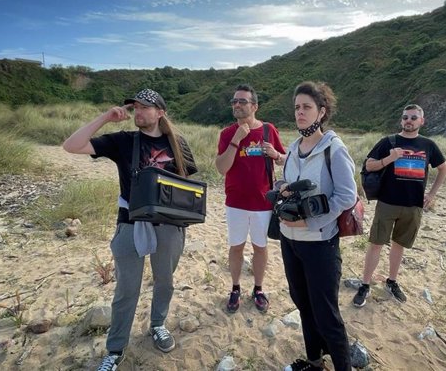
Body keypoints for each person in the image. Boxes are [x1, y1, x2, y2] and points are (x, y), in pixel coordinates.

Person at [62, 89, 198, 371]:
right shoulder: (123, 141)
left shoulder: (178, 144)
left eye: (145, 108)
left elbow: (186, 187)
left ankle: (158, 324)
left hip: (170, 226)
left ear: (160, 112)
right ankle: (115, 349)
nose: (138, 113)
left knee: (165, 281)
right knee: (127, 290)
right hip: (129, 224)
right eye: (135, 108)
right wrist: (105, 117)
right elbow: (71, 146)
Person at [277, 81, 356, 371]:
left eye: (307, 107)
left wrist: (309, 218)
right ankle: (314, 363)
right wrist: (282, 187)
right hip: (289, 239)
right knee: (302, 304)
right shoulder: (293, 146)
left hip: (320, 242)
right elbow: (284, 180)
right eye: (297, 107)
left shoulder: (333, 149)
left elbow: (348, 196)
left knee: (326, 313)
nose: (300, 112)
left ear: (321, 112)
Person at [352, 104, 446, 308]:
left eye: (414, 118)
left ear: (422, 121)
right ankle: (365, 285)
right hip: (387, 203)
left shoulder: (428, 145)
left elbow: (443, 168)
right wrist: (390, 158)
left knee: (399, 245)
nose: (409, 121)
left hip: (413, 206)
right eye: (405, 117)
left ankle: (392, 281)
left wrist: (431, 194)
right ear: (401, 120)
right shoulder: (388, 142)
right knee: (376, 244)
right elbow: (369, 165)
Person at [215, 84, 286, 314]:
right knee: (236, 247)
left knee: (260, 247)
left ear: (254, 106)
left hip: (263, 203)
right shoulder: (227, 134)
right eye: (234, 101)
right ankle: (235, 288)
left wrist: (275, 154)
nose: (237, 105)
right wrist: (237, 139)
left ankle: (258, 288)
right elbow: (221, 168)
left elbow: (284, 159)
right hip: (235, 203)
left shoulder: (268, 130)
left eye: (242, 101)